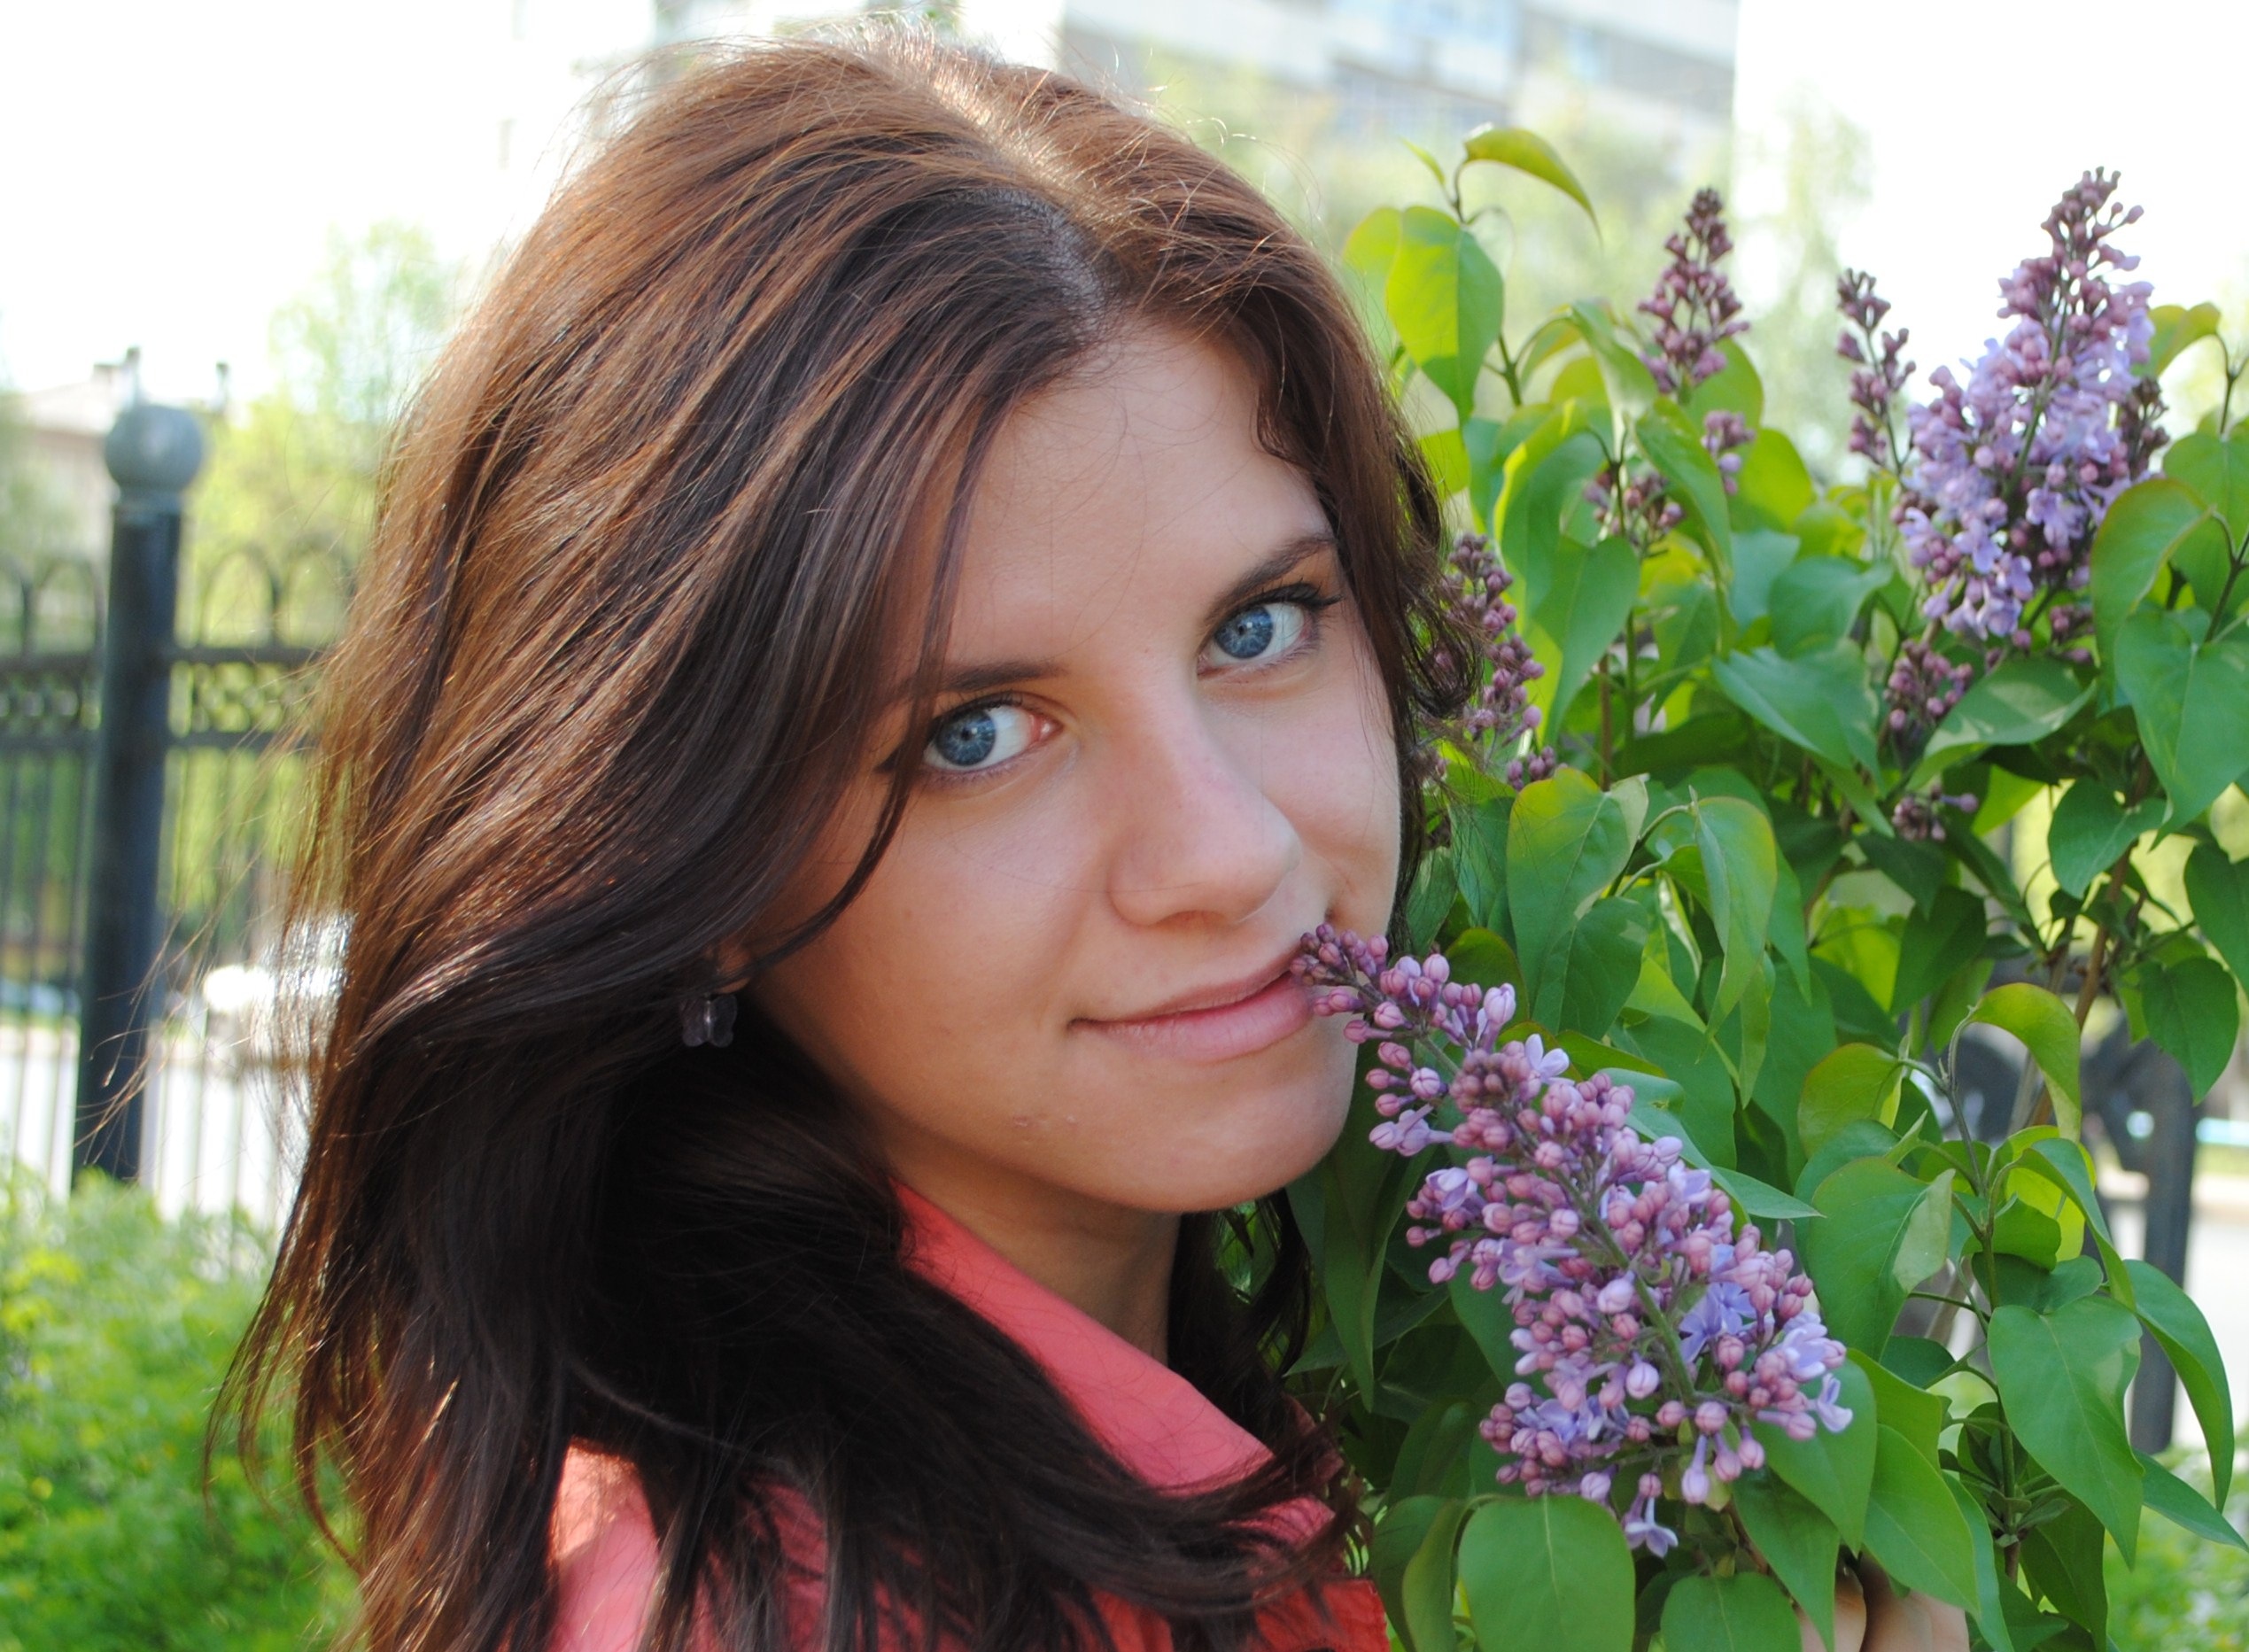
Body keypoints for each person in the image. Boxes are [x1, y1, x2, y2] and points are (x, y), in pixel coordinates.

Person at [225, 27, 1968, 1652]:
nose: (1227, 850)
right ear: (687, 858)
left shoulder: (1172, 1486)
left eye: (1260, 626)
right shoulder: (781, 1602)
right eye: (974, 734)